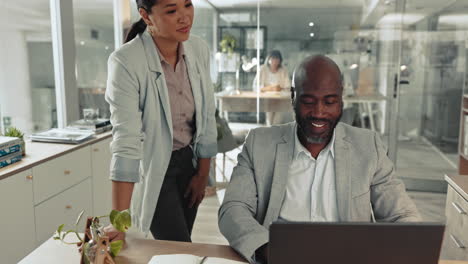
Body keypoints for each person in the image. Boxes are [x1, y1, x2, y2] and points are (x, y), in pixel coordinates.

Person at [218, 55, 421, 264]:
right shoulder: (259, 144)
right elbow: (233, 208)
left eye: (330, 101)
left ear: (341, 99)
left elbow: (401, 215)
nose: (319, 112)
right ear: (293, 97)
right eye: (308, 101)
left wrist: (403, 246)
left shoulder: (369, 147)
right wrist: (268, 250)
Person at [104, 0, 217, 243]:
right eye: (171, 10)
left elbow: (207, 114)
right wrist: (118, 224)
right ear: (146, 16)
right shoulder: (125, 61)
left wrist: (202, 174)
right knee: (178, 246)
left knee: (183, 244)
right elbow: (126, 141)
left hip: (190, 162)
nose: (185, 17)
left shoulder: (198, 49)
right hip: (155, 167)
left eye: (187, 5)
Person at [253, 50, 292, 125]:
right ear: (268, 59)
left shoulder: (283, 70)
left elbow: (288, 87)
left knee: (278, 121)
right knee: (269, 120)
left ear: (280, 61)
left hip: (280, 100)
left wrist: (280, 88)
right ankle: (269, 133)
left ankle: (275, 134)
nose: (275, 61)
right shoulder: (262, 69)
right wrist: (267, 88)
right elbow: (255, 86)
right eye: (273, 59)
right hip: (267, 99)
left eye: (277, 59)